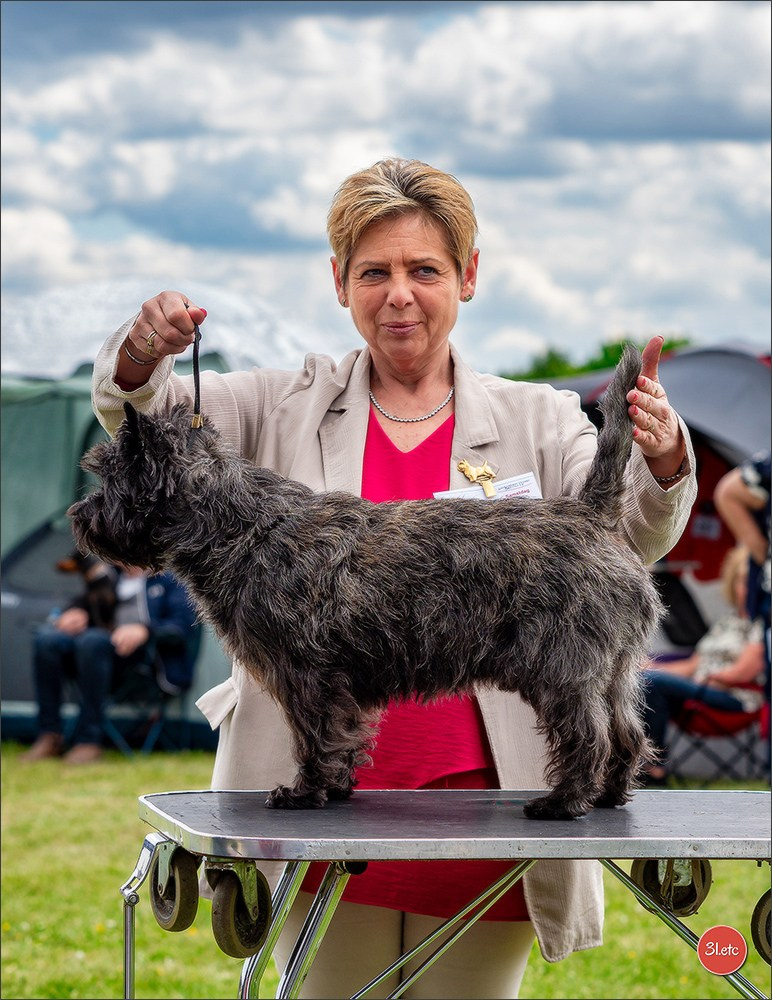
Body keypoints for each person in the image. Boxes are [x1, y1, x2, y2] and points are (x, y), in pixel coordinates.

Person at [90, 158, 697, 998]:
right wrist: (140, 353)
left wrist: (661, 452)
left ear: (468, 277)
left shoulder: (540, 414)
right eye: (374, 272)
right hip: (328, 832)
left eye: (425, 269)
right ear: (340, 283)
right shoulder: (280, 399)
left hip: (490, 818)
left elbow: (630, 531)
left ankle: (599, 763)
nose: (399, 293)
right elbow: (142, 424)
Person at [21, 560, 198, 765]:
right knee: (47, 639)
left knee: (92, 640)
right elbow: (84, 601)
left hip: (141, 666)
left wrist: (145, 630)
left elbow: (183, 627)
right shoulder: (108, 576)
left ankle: (89, 741)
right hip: (91, 660)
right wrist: (72, 613)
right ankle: (50, 736)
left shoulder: (170, 579)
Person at [640, 545, 766, 784]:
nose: (747, 589)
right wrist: (650, 668)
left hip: (734, 700)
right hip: (701, 690)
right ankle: (639, 762)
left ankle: (652, 768)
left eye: (753, 583)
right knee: (640, 683)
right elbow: (691, 665)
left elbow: (742, 673)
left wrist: (707, 677)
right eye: (742, 582)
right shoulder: (726, 623)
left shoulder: (761, 626)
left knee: (651, 684)